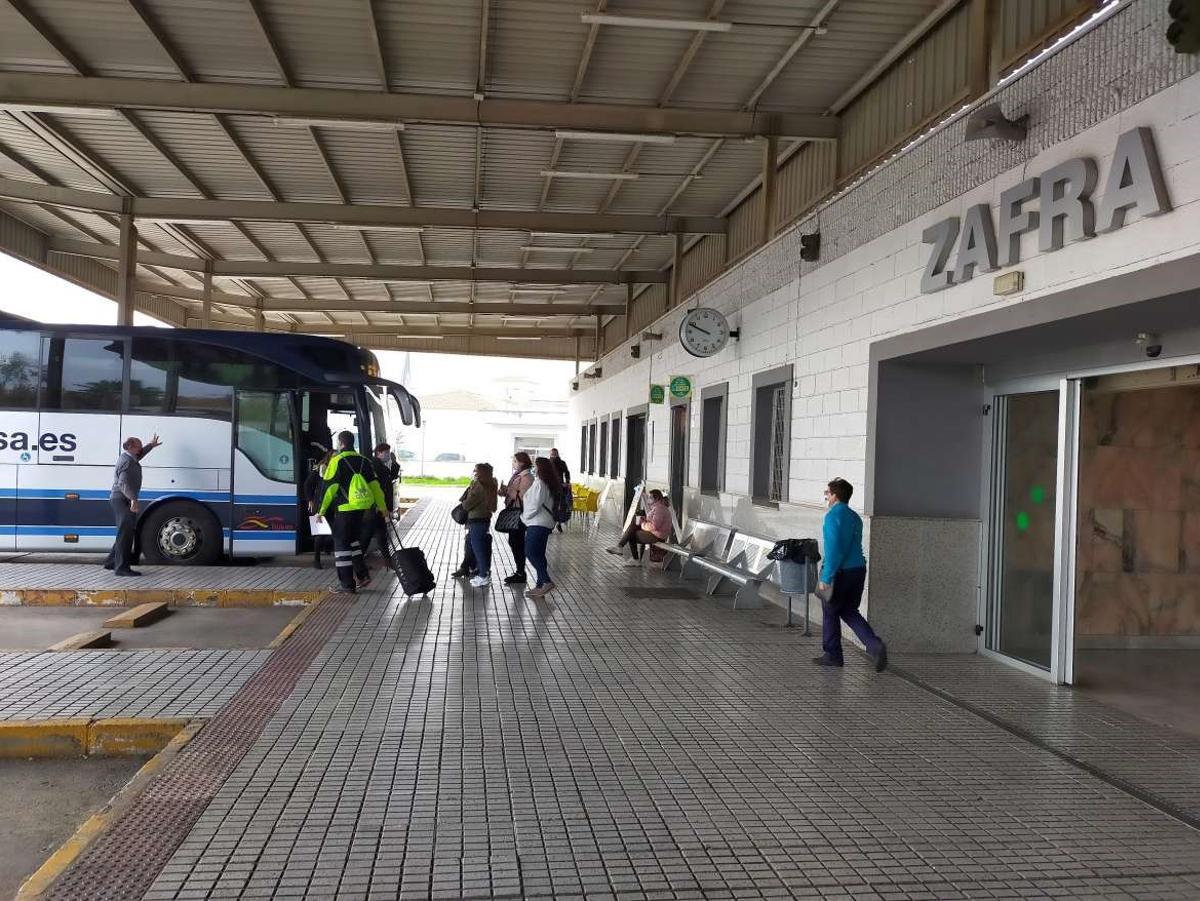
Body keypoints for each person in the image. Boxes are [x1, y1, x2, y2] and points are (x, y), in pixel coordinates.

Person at [814, 478, 887, 672]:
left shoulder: (832, 517)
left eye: (827, 493)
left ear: (835, 495)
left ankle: (833, 655)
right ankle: (874, 645)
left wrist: (826, 577)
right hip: (858, 570)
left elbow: (834, 549)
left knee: (830, 611)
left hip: (840, 572)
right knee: (849, 610)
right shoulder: (854, 517)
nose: (826, 497)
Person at [316, 431, 388, 593]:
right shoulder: (365, 461)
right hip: (361, 509)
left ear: (341, 444)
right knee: (353, 541)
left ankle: (347, 585)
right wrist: (383, 508)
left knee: (341, 545)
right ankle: (363, 576)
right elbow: (376, 487)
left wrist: (321, 510)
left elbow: (329, 488)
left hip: (344, 510)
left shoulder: (337, 461)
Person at [103, 434, 162, 576]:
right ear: (130, 447)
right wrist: (133, 499)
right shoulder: (127, 461)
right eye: (139, 446)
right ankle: (121, 568)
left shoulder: (130, 458)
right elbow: (122, 483)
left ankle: (111, 562)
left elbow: (140, 455)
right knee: (126, 532)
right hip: (122, 499)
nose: (141, 448)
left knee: (125, 531)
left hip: (123, 499)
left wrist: (150, 446)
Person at [521, 456, 560, 599]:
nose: (533, 468)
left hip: (537, 523)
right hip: (544, 523)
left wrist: (525, 517)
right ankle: (539, 586)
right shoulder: (548, 483)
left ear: (540, 468)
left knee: (530, 552)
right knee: (539, 554)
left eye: (535, 466)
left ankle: (546, 581)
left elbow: (535, 504)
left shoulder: (540, 484)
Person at [606, 488, 671, 565]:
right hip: (655, 533)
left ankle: (626, 551)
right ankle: (621, 548)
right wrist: (644, 520)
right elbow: (653, 522)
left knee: (631, 534)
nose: (648, 499)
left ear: (656, 498)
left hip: (657, 536)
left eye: (650, 497)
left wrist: (643, 524)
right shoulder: (657, 507)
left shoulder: (660, 509)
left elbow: (654, 526)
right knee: (634, 524)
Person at [499, 452, 534, 585]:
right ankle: (519, 571)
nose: (513, 463)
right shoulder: (517, 476)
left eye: (515, 461)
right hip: (514, 510)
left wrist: (508, 491)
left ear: (522, 462)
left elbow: (522, 496)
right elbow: (514, 493)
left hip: (519, 513)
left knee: (516, 541)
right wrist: (504, 491)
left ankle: (521, 572)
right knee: (514, 541)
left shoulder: (527, 478)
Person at [461, 463, 498, 587]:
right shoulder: (491, 483)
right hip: (484, 518)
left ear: (481, 472)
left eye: (476, 470)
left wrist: (469, 493)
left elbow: (467, 504)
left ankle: (483, 575)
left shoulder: (479, 485)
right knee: (473, 543)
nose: (474, 472)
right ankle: (477, 570)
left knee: (478, 548)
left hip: (476, 519)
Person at [361, 442, 400, 559]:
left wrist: (394, 463)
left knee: (379, 534)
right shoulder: (375, 465)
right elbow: (379, 487)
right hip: (376, 507)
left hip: (379, 506)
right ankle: (359, 560)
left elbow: (390, 478)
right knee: (371, 534)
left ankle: (387, 560)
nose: (388, 454)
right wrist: (381, 506)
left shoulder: (380, 465)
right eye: (386, 452)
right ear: (378, 453)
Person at [304, 451, 335, 570]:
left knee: (333, 530)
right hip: (318, 504)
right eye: (334, 457)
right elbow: (307, 485)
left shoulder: (336, 470)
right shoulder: (319, 470)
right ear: (328, 458)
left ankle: (327, 547)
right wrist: (310, 500)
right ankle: (316, 559)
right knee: (320, 533)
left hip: (331, 505)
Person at [548, 448, 571, 533]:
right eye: (552, 454)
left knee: (558, 506)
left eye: (555, 454)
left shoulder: (561, 463)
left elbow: (567, 472)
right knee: (551, 506)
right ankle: (551, 525)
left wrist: (567, 482)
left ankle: (558, 524)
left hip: (559, 487)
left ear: (557, 454)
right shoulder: (548, 463)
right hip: (550, 487)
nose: (553, 455)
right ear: (550, 454)